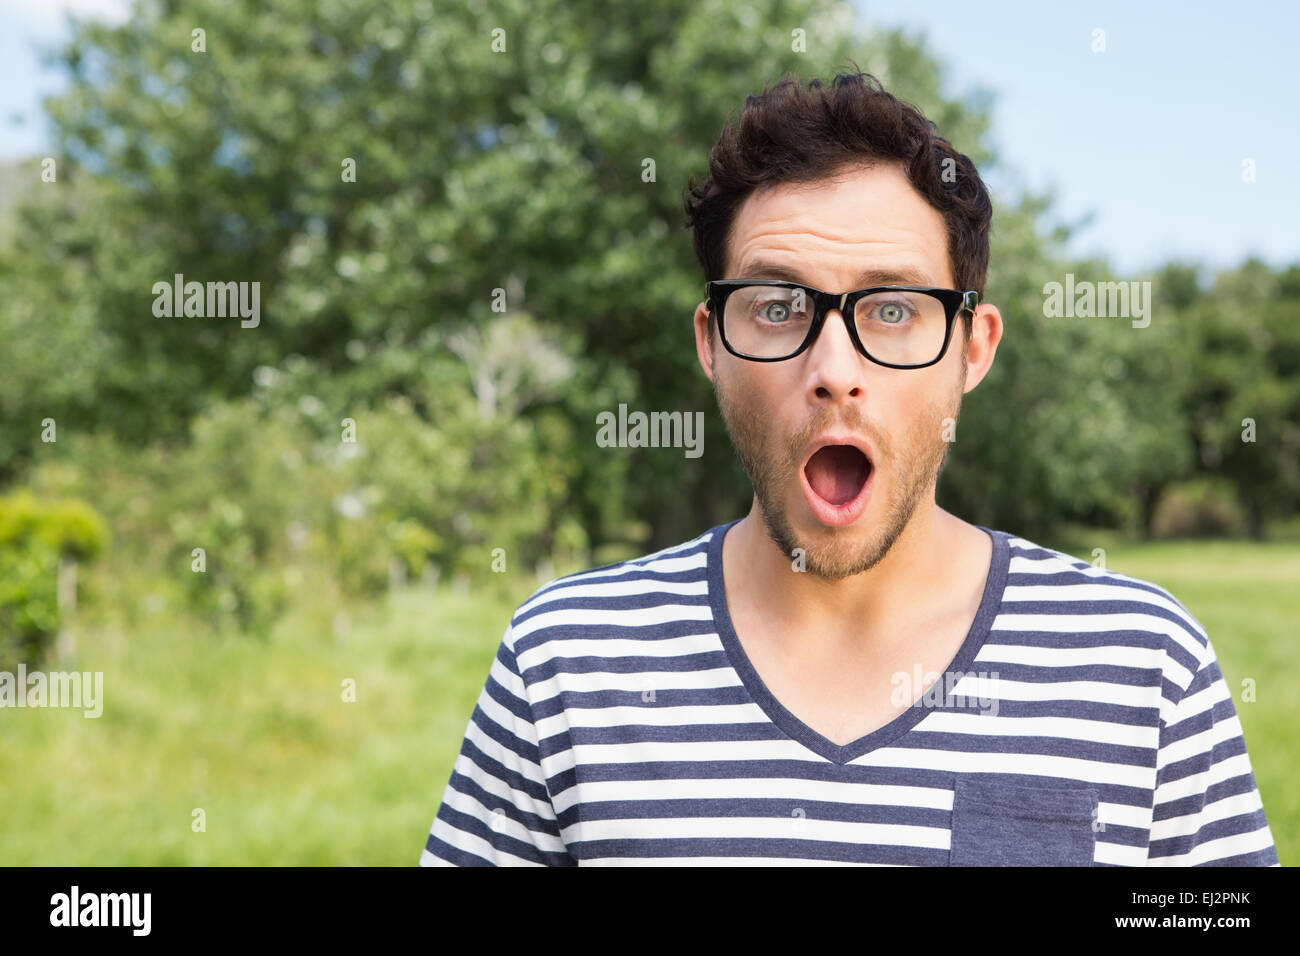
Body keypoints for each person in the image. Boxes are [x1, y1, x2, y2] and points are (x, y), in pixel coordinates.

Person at [420, 70, 1278, 866]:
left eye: (895, 308)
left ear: (972, 352)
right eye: (776, 306)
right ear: (712, 344)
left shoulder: (1143, 665)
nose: (833, 367)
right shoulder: (564, 662)